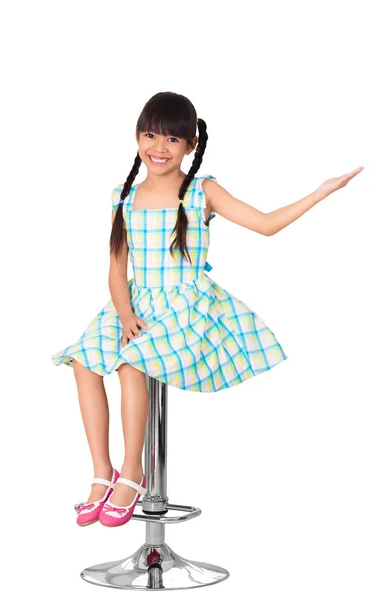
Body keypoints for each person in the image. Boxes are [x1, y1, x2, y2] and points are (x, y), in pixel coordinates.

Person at [51, 91, 364, 528]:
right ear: (136, 137)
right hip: (134, 304)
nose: (159, 148)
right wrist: (124, 315)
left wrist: (321, 191)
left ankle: (134, 472)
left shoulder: (202, 191)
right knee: (83, 362)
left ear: (190, 146)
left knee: (130, 362)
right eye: (150, 135)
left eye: (172, 141)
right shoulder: (122, 195)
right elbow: (116, 268)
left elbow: (267, 224)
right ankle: (103, 473)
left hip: (186, 307)